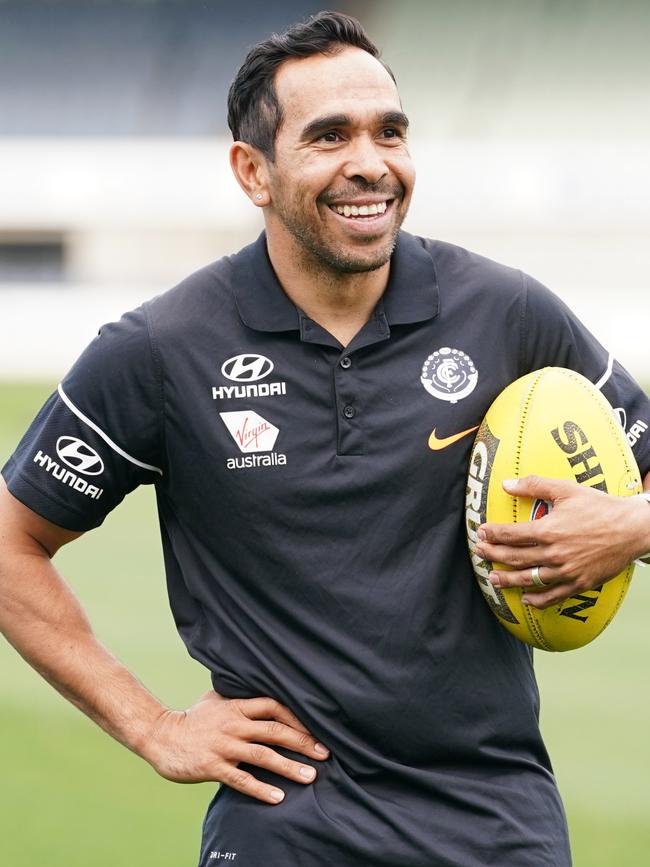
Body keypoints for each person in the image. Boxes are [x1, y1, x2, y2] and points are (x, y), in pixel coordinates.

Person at [1, 11, 649, 866]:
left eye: (390, 132)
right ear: (253, 171)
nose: (371, 163)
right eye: (330, 135)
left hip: (495, 818)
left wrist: (630, 525)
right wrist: (153, 725)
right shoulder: (162, 348)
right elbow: (13, 542)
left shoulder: (506, 312)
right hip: (284, 822)